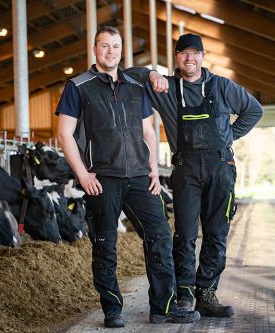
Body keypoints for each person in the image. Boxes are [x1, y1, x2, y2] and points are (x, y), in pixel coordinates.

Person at [55, 26, 200, 328]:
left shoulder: (136, 85)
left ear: (122, 50)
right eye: (104, 46)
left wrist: (153, 170)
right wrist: (82, 174)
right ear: (95, 49)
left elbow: (149, 130)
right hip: (102, 178)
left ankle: (163, 307)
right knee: (106, 242)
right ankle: (112, 309)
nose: (110, 51)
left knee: (159, 235)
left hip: (139, 176)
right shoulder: (79, 86)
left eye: (116, 46)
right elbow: (64, 134)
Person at [125, 33, 263, 317]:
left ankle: (206, 293)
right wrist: (151, 74)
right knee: (185, 234)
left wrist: (228, 138)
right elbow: (127, 74)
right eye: (183, 53)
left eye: (194, 53)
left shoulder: (222, 86)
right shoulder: (165, 88)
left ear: (202, 56)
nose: (189, 58)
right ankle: (185, 294)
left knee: (216, 234)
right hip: (185, 170)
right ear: (176, 57)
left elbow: (253, 111)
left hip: (221, 169)